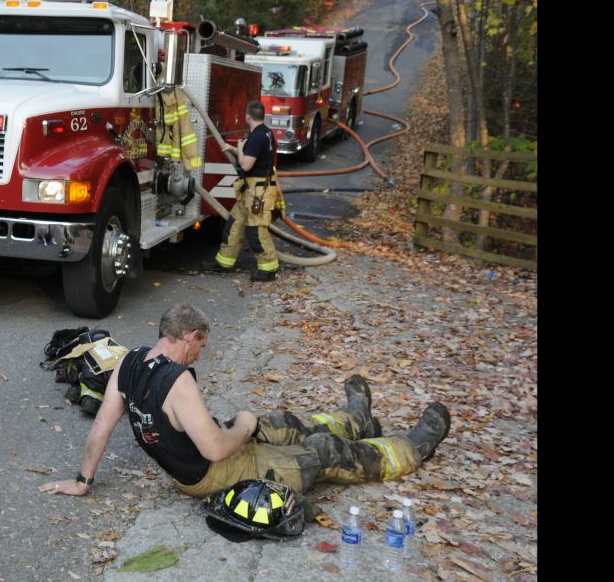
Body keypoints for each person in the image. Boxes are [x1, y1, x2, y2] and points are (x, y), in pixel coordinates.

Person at [39, 304, 450, 499]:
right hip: (211, 474)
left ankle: (357, 419)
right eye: (202, 344)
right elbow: (216, 448)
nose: (201, 353)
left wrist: (83, 480)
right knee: (323, 454)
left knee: (282, 423)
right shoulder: (178, 379)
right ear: (190, 337)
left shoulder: (129, 362)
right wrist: (245, 428)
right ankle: (413, 447)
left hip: (195, 462)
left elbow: (101, 427)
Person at [209, 101, 284, 281]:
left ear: (247, 116)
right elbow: (254, 158)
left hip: (257, 193)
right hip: (251, 192)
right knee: (234, 225)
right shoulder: (265, 133)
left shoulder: (257, 137)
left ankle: (268, 269)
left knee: (256, 231)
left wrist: (240, 148)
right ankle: (224, 262)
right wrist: (234, 149)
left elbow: (246, 164)